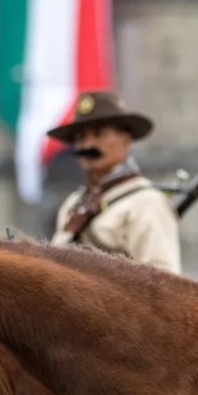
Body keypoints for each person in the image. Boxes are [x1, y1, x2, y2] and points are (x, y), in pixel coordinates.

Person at [49, 91, 181, 273]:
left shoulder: (147, 202)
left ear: (126, 139)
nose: (88, 146)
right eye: (81, 138)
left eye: (99, 134)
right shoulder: (74, 204)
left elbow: (163, 283)